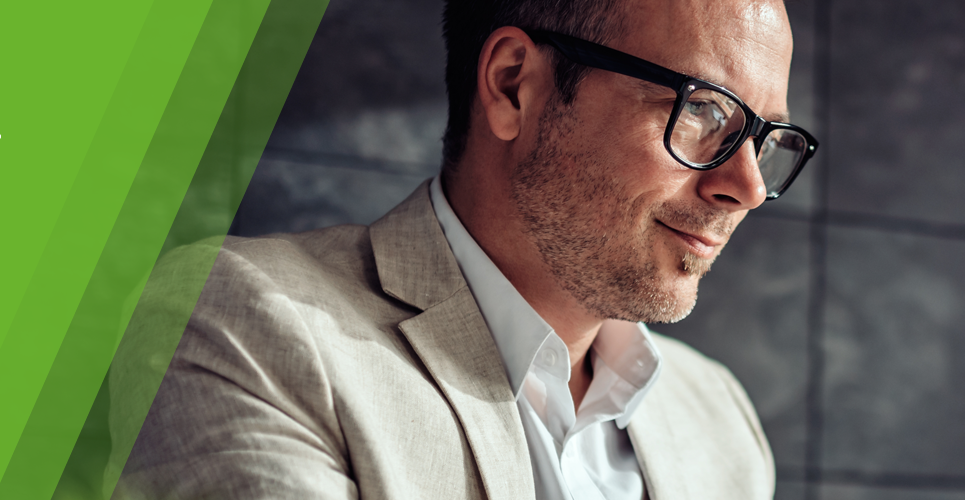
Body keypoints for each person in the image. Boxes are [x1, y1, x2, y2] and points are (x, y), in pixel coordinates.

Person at [117, 0, 817, 498]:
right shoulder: (241, 325)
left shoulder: (720, 420)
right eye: (702, 110)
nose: (748, 187)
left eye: (766, 139)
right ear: (514, 84)